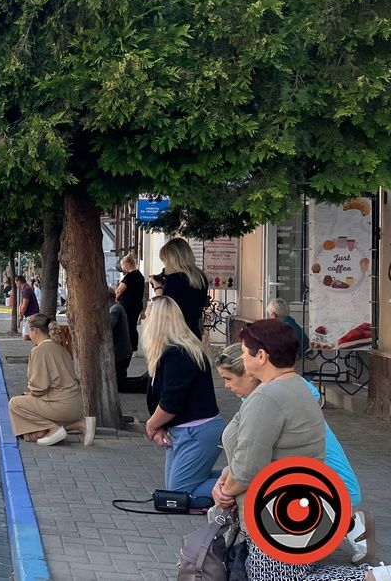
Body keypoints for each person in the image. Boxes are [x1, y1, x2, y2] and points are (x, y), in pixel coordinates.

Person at [211, 319, 391, 580]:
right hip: (300, 505)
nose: (243, 358)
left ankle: (376, 576)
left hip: (276, 513)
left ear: (261, 356)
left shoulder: (266, 398)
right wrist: (228, 476)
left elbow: (248, 468)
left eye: (245, 351)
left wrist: (224, 492)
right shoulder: (296, 386)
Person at [142, 296, 222, 509]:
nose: (144, 321)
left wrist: (151, 425)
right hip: (184, 430)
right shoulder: (173, 352)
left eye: (147, 316)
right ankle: (234, 478)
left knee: (179, 495)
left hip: (196, 431)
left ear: (157, 323)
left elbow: (171, 403)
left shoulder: (178, 354)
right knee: (176, 491)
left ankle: (244, 483)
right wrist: (159, 426)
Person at [8, 314, 95, 446]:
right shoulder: (60, 348)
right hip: (76, 405)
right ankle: (80, 424)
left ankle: (53, 429)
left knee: (15, 404)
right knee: (34, 423)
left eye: (28, 329)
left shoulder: (39, 350)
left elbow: (38, 388)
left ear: (35, 330)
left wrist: (31, 394)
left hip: (61, 406)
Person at [155, 238, 209, 337]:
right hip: (194, 332)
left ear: (172, 260)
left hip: (176, 334)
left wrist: (157, 287)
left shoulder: (174, 279)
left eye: (165, 261)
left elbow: (163, 308)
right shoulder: (200, 277)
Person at [109, 290, 147, 395]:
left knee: (120, 385)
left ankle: (145, 386)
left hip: (121, 354)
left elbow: (109, 325)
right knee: (120, 380)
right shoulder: (116, 307)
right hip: (123, 353)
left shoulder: (115, 309)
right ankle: (144, 383)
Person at [115, 254, 146, 352]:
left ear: (128, 264)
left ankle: (127, 348)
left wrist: (115, 298)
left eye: (123, 265)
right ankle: (134, 348)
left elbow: (119, 290)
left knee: (126, 326)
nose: (122, 268)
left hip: (126, 305)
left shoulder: (129, 276)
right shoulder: (140, 276)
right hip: (136, 305)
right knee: (133, 326)